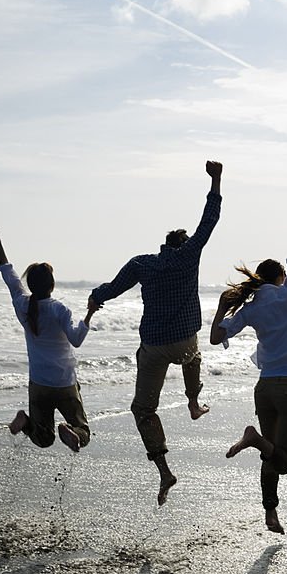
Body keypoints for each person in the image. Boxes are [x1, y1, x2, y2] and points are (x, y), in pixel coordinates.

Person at [88, 161, 222, 506]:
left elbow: (113, 289)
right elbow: (209, 221)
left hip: (153, 346)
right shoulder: (189, 257)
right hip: (184, 342)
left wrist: (95, 298)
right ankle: (193, 402)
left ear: (163, 244)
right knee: (192, 354)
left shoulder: (142, 264)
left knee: (144, 409)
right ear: (183, 244)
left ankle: (164, 470)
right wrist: (216, 179)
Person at [209, 194, 287, 534]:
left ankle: (271, 512)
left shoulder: (251, 308)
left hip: (266, 388)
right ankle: (252, 438)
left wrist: (220, 306)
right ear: (282, 276)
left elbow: (215, 338)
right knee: (283, 461)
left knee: (271, 452)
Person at [0, 229, 99, 453]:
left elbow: (9, 275)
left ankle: (26, 422)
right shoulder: (60, 309)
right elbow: (76, 340)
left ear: (32, 285)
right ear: (52, 285)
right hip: (64, 381)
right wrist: (90, 314)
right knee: (83, 433)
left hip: (39, 382)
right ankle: (71, 431)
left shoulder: (22, 304)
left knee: (43, 438)